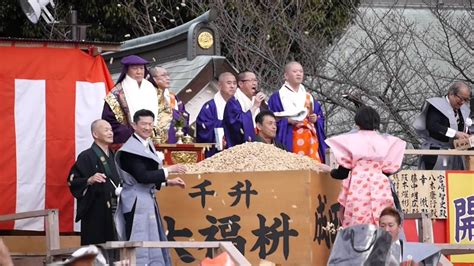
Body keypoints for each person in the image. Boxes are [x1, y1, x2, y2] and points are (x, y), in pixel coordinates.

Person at [114, 109, 186, 265]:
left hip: (146, 198)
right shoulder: (130, 150)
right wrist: (169, 170)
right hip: (135, 200)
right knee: (138, 239)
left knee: (152, 238)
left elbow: (148, 177)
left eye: (150, 124)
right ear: (134, 125)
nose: (147, 127)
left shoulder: (147, 144)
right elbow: (142, 176)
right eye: (143, 124)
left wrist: (168, 182)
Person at [323, 106, 406, 227]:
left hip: (358, 186)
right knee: (382, 220)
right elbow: (388, 170)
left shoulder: (350, 140)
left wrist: (329, 170)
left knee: (357, 223)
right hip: (380, 186)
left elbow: (342, 173)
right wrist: (375, 173)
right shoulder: (386, 141)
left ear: (358, 122)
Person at [67, 119, 120, 245]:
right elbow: (73, 181)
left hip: (115, 206)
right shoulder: (86, 156)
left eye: (111, 130)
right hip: (96, 209)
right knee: (97, 247)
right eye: (106, 130)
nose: (110, 133)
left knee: (116, 245)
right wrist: (89, 180)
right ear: (95, 134)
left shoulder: (115, 156)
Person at [268, 61, 327, 162]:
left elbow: (320, 116)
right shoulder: (277, 97)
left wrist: (315, 119)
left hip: (310, 139)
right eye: (295, 71)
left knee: (313, 166)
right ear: (286, 75)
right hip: (289, 136)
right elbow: (270, 119)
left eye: (301, 71)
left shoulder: (309, 96)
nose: (299, 74)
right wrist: (287, 121)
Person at [413, 81, 471, 170]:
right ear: (451, 94)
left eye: (466, 100)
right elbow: (432, 125)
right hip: (436, 152)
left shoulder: (462, 110)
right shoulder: (437, 105)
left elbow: (462, 129)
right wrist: (455, 133)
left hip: (455, 154)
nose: (462, 102)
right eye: (460, 98)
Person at [102, 55, 159, 143]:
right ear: (126, 70)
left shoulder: (153, 89)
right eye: (134, 68)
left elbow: (164, 112)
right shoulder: (116, 93)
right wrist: (129, 132)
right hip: (128, 137)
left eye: (141, 68)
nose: (139, 72)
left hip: (155, 136)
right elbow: (108, 119)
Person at [196, 72, 237, 157]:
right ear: (220, 85)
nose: (232, 86)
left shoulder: (238, 104)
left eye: (234, 83)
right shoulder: (210, 106)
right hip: (215, 153)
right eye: (229, 83)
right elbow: (203, 128)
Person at [223, 71, 266, 147]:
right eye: (251, 80)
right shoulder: (233, 102)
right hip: (241, 144)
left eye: (255, 80)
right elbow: (235, 124)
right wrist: (254, 107)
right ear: (241, 84)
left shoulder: (257, 99)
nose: (254, 83)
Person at [148, 66, 190, 143]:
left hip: (176, 136)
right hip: (157, 138)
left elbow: (182, 117)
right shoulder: (149, 96)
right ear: (153, 78)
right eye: (163, 75)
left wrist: (177, 115)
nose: (168, 78)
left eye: (168, 75)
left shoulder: (172, 97)